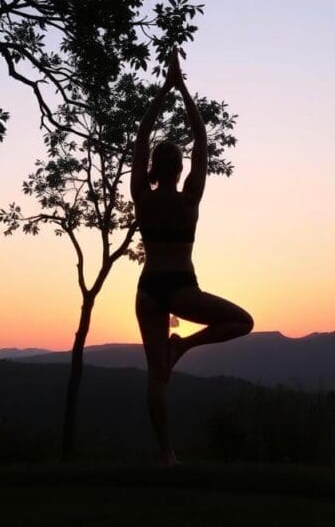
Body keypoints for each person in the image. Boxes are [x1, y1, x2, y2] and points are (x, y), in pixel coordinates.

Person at [130, 48, 254, 466]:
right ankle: (183, 346)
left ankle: (166, 452)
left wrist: (160, 94)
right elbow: (201, 139)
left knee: (155, 376)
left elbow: (142, 138)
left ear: (152, 167)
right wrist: (181, 89)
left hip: (148, 289)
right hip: (181, 287)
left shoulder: (142, 197)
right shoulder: (190, 199)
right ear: (179, 168)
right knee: (242, 321)